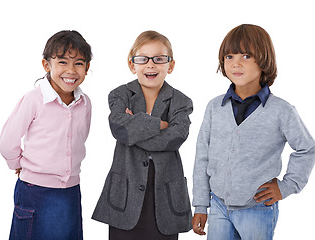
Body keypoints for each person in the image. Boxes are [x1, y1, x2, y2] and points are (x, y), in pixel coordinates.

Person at [192, 24, 315, 240]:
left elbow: (307, 148)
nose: (236, 63)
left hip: (257, 208)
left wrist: (287, 186)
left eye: (246, 55)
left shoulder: (281, 111)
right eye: (229, 56)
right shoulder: (214, 107)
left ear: (264, 61)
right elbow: (202, 157)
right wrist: (201, 204)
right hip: (218, 205)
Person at [92, 30, 193, 240]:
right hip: (124, 198)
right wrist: (161, 124)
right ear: (132, 65)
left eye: (159, 59)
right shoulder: (120, 94)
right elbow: (121, 129)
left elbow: (176, 137)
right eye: (143, 59)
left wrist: (136, 125)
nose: (151, 65)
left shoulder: (181, 101)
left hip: (164, 199)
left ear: (170, 65)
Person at [0, 30, 92, 240]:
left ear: (87, 68)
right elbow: (7, 141)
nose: (70, 70)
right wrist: (17, 164)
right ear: (46, 65)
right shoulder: (34, 99)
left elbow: (80, 137)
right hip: (35, 190)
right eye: (62, 62)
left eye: (78, 63)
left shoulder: (85, 103)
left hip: (70, 189)